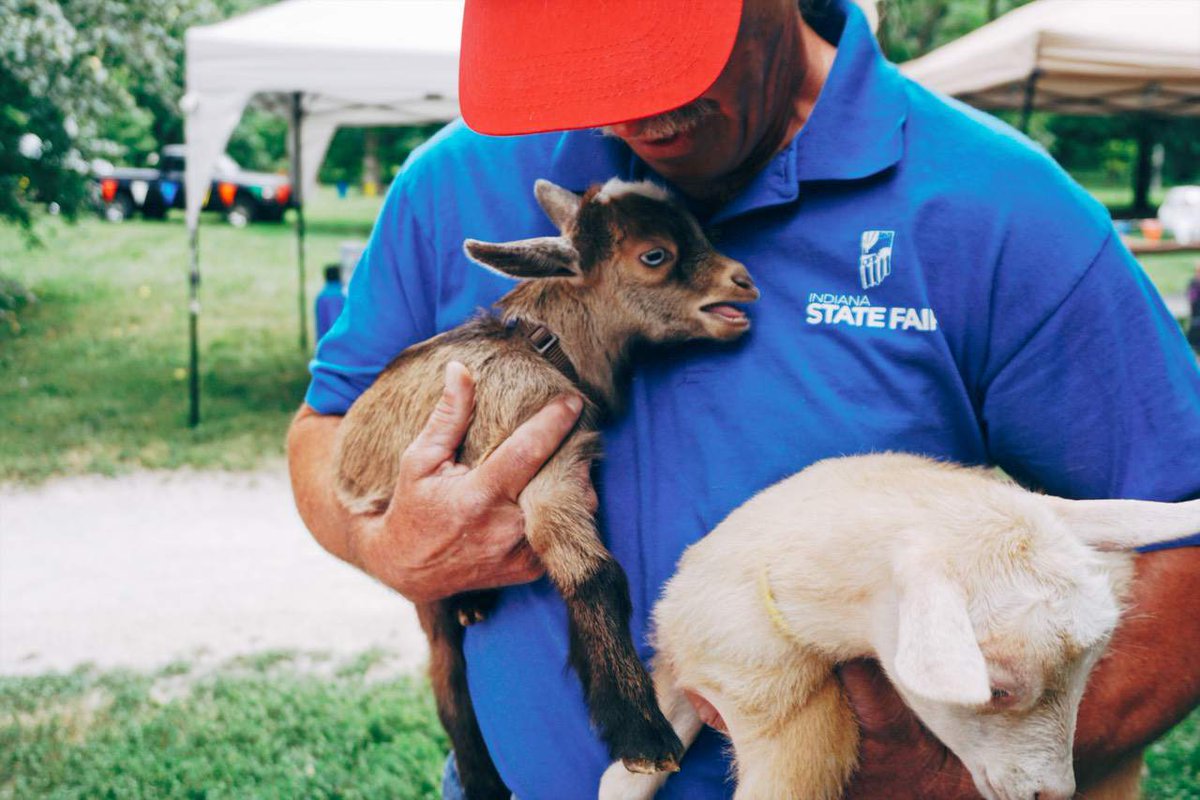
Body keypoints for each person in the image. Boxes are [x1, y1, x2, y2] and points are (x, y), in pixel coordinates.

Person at [286, 0, 1200, 797]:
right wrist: (385, 541)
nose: (635, 108)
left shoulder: (999, 208)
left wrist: (944, 778)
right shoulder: (454, 179)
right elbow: (322, 432)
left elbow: (1188, 545)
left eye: (667, 45)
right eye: (586, 59)